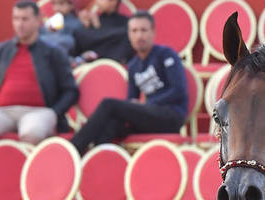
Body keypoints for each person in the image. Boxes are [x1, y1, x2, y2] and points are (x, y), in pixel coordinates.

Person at [0, 1, 79, 155]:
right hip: (2, 112)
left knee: (32, 133)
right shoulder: (0, 51)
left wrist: (54, 113)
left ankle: (29, 177)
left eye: (25, 19)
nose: (20, 24)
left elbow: (70, 91)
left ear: (37, 20)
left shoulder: (54, 53)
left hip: (39, 112)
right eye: (16, 19)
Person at [69, 10, 187, 155]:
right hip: (148, 117)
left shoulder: (166, 54)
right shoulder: (133, 65)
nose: (139, 36)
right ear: (129, 35)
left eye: (144, 30)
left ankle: (74, 148)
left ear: (153, 32)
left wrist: (147, 104)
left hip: (171, 116)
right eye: (134, 31)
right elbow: (131, 101)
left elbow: (178, 90)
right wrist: (139, 106)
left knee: (109, 104)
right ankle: (102, 162)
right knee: (110, 125)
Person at [70, 0, 133, 65]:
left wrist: (97, 28)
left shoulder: (126, 23)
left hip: (114, 62)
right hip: (88, 64)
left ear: (114, 1)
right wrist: (87, 26)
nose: (97, 2)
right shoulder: (93, 20)